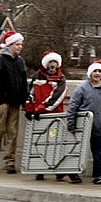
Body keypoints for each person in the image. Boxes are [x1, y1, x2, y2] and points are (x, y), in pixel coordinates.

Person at [24, 51, 76, 182]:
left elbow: (56, 98)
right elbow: (31, 94)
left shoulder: (61, 79)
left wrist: (41, 109)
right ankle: (40, 169)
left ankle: (58, 170)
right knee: (39, 142)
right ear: (47, 64)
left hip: (54, 118)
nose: (53, 65)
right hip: (38, 117)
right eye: (51, 63)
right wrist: (29, 109)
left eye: (55, 63)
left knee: (54, 142)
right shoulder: (37, 77)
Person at [0, 30, 28, 174]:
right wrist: (0, 97)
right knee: (0, 129)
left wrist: (24, 99)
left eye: (21, 44)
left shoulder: (20, 61)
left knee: (13, 132)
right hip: (2, 100)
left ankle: (10, 161)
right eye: (17, 44)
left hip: (15, 101)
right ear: (9, 45)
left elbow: (23, 82)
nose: (19, 47)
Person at [66, 60, 101, 185]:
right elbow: (73, 106)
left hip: (99, 124)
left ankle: (98, 174)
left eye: (99, 71)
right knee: (76, 150)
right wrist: (71, 123)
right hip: (82, 124)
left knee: (98, 151)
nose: (97, 74)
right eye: (94, 71)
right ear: (90, 73)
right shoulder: (82, 88)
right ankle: (73, 172)